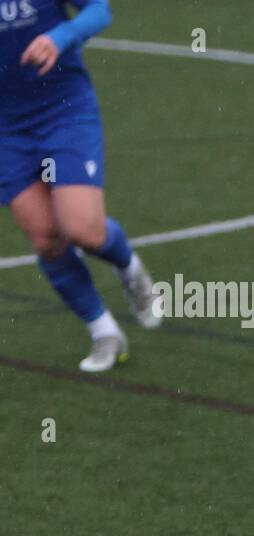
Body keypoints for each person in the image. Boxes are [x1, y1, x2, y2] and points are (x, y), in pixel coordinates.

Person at [1, 0, 160, 373]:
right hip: (5, 129)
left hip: (62, 111)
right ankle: (104, 332)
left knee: (83, 230)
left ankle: (129, 268)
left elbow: (98, 10)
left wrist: (60, 37)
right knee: (46, 238)